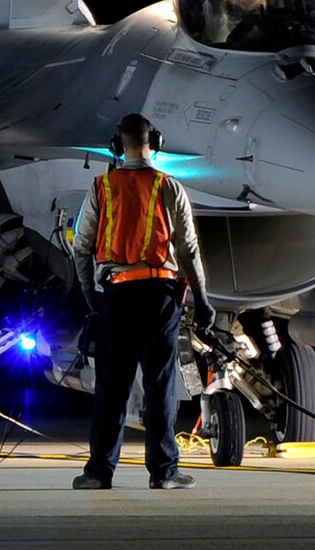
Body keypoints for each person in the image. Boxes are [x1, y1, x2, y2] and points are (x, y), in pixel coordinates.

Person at [70, 112, 217, 490]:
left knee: (111, 388)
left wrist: (88, 291)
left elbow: (81, 245)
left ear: (117, 146)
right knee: (160, 384)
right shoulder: (169, 187)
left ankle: (99, 472)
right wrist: (202, 298)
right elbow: (188, 250)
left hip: (116, 295)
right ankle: (164, 472)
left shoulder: (101, 187)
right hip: (160, 298)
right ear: (157, 143)